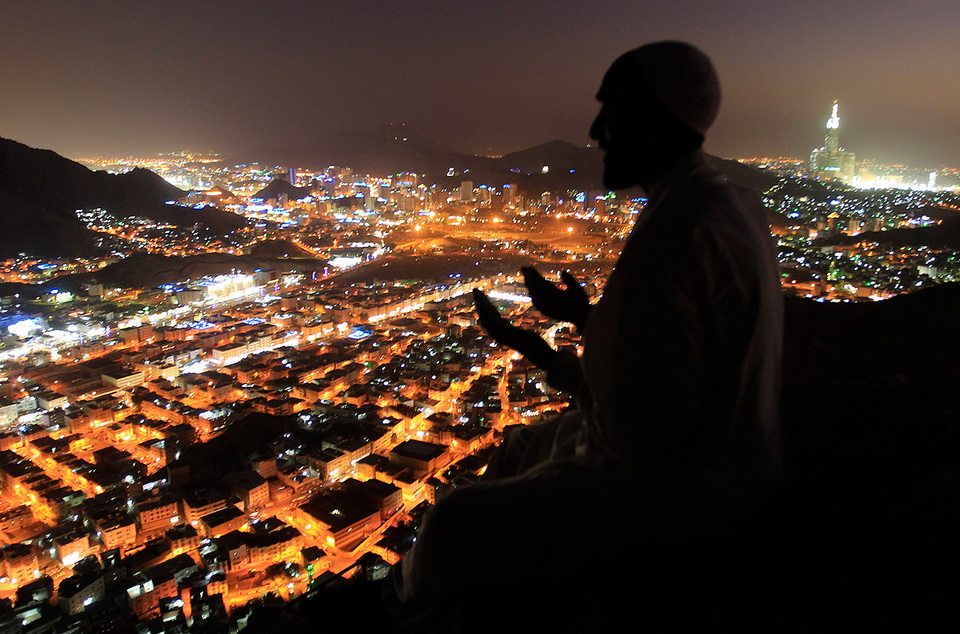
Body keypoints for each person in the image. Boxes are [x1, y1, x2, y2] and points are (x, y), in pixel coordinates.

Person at [386, 41, 784, 630]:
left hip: (687, 485)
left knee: (453, 522)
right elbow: (671, 357)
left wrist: (538, 349)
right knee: (520, 448)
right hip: (721, 452)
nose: (596, 129)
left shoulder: (674, 232)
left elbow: (638, 430)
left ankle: (394, 614)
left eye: (610, 109)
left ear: (655, 116)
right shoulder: (727, 204)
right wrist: (582, 321)